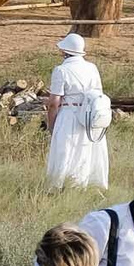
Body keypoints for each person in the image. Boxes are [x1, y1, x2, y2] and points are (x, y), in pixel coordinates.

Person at [42, 32, 111, 190]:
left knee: (65, 151)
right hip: (89, 115)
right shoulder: (92, 68)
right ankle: (84, 185)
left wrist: (51, 124)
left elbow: (54, 102)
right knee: (86, 151)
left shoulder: (61, 71)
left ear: (64, 51)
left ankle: (60, 186)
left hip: (69, 115)